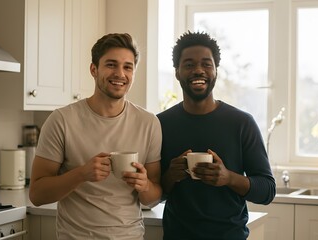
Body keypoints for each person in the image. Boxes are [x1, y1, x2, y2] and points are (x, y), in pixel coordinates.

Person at [29, 33, 162, 239]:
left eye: (128, 67)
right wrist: (81, 174)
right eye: (111, 64)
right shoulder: (62, 120)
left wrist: (144, 185)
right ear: (94, 69)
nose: (120, 73)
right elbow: (37, 194)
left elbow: (153, 198)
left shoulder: (149, 123)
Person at [157, 31, 276, 240]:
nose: (198, 70)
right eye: (189, 65)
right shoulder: (160, 124)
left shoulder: (241, 123)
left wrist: (228, 178)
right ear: (177, 72)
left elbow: (267, 191)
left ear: (216, 71)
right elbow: (153, 193)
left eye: (206, 64)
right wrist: (170, 176)